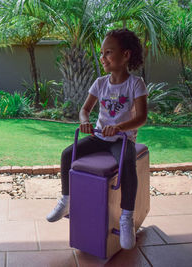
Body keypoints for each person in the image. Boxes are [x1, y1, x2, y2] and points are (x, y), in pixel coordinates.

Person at [46, 29, 148, 250]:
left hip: (122, 139)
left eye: (108, 52)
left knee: (127, 164)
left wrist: (119, 127)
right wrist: (84, 121)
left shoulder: (135, 84)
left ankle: (126, 217)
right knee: (67, 155)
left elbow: (141, 117)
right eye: (102, 53)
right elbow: (84, 110)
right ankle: (66, 201)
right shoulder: (100, 83)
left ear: (126, 55)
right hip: (100, 137)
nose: (102, 58)